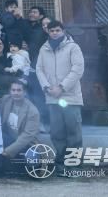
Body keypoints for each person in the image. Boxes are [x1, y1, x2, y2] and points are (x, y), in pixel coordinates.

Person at [36, 20, 84, 170]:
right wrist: (46, 87)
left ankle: (74, 163)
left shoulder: (73, 47)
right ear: (48, 32)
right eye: (52, 31)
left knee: (73, 131)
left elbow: (78, 69)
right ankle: (61, 161)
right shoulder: (44, 49)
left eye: (57, 30)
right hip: (52, 97)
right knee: (56, 132)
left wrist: (62, 87)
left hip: (70, 97)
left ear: (63, 31)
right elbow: (39, 69)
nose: (55, 33)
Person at [0, 80, 41, 179]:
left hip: (27, 144)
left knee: (33, 164)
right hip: (10, 138)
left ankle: (35, 167)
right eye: (13, 90)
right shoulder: (6, 100)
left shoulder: (33, 111)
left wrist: (9, 151)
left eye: (19, 90)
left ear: (25, 92)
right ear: (10, 91)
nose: (16, 93)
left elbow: (27, 136)